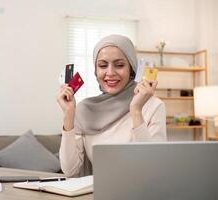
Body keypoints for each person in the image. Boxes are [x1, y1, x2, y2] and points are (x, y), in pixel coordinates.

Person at [57, 35, 167, 177]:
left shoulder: (154, 106)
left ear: (132, 69)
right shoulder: (84, 110)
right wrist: (68, 115)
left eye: (119, 65)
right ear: (96, 72)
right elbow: (69, 170)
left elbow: (154, 168)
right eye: (103, 66)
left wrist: (136, 110)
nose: (110, 73)